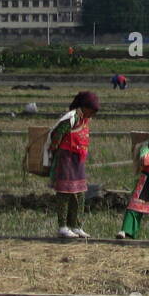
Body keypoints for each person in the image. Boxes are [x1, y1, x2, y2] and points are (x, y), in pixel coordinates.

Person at [47, 91, 99, 239]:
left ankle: (76, 226)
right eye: (91, 110)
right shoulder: (72, 117)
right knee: (65, 192)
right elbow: (57, 135)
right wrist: (55, 152)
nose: (92, 114)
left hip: (78, 160)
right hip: (66, 158)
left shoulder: (84, 120)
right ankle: (63, 226)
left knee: (80, 192)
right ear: (84, 107)